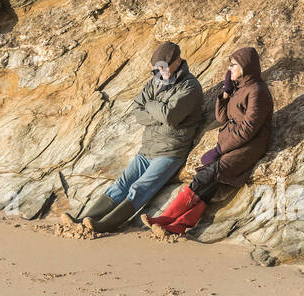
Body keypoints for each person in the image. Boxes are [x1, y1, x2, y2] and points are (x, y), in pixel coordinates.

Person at [64, 41, 204, 235]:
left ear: (178, 61)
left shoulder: (190, 86)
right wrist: (157, 111)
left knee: (139, 188)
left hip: (170, 151)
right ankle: (86, 218)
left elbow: (169, 116)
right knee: (121, 184)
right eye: (157, 67)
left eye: (164, 66)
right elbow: (138, 110)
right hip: (147, 148)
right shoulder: (155, 81)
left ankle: (107, 224)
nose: (160, 71)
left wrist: (152, 105)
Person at [142, 45, 273, 237]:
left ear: (245, 67)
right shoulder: (241, 88)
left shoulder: (257, 91)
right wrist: (226, 93)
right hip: (232, 143)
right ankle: (178, 225)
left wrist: (219, 150)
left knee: (205, 177)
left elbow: (247, 130)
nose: (230, 69)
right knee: (209, 185)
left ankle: (166, 218)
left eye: (233, 65)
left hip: (248, 147)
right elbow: (222, 117)